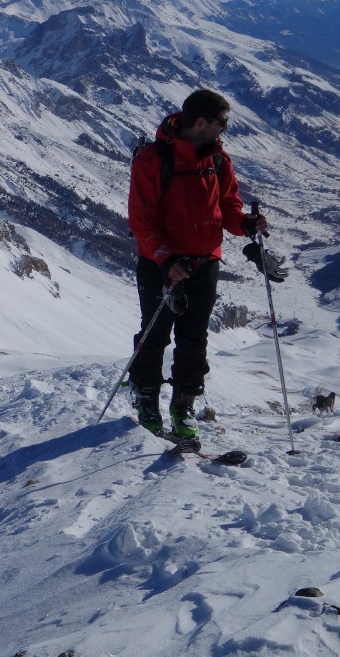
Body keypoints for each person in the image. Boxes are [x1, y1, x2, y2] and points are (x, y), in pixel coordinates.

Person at [127, 89, 271, 443]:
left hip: (204, 262)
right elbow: (141, 220)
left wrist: (247, 225)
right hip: (161, 265)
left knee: (194, 339)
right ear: (202, 122)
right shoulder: (153, 159)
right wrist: (165, 258)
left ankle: (183, 405)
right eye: (222, 123)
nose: (225, 130)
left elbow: (229, 207)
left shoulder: (217, 158)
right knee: (155, 333)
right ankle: (147, 398)